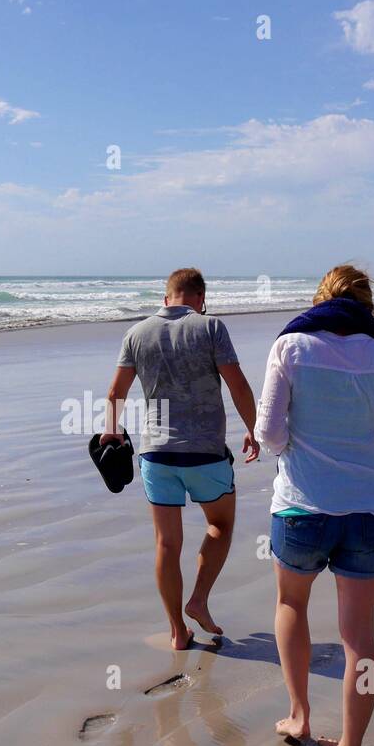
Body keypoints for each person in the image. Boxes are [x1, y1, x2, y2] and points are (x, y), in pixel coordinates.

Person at [254, 265, 374, 746]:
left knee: (291, 605)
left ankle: (298, 717)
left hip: (302, 505)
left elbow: (270, 434)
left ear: (319, 299)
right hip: (366, 509)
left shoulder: (290, 348)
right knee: (360, 637)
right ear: (368, 306)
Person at [102, 268, 259, 650]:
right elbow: (237, 383)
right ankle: (199, 600)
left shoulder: (136, 333)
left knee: (166, 544)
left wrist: (110, 432)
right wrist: (255, 429)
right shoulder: (210, 327)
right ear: (201, 299)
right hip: (204, 452)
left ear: (165, 297)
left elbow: (115, 394)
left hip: (156, 454)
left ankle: (176, 631)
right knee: (219, 526)